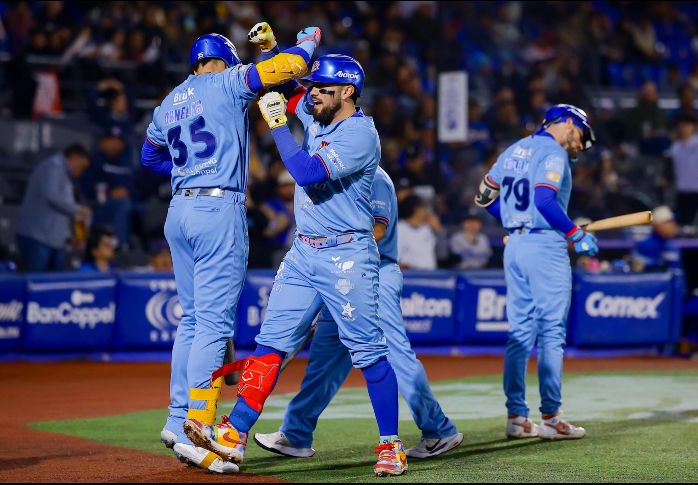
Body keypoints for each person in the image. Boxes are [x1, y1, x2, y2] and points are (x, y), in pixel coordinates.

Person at [185, 53, 408, 478]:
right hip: (305, 252)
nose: (313, 94)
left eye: (323, 88)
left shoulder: (360, 135)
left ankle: (391, 446)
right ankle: (234, 434)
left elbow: (306, 173)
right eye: (313, 86)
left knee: (368, 352)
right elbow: (282, 89)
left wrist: (277, 126)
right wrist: (276, 53)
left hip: (347, 255)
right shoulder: (317, 106)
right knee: (271, 344)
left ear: (348, 92)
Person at [139, 24, 321, 473]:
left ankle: (176, 416)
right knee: (214, 326)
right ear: (224, 59)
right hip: (217, 209)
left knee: (193, 320)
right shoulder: (228, 81)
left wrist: (189, 169)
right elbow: (293, 66)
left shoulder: (170, 100)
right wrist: (311, 39)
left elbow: (149, 157)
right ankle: (194, 430)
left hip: (179, 211)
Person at [253, 166, 463, 460]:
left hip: (372, 272)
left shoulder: (374, 177)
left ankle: (437, 429)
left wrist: (332, 248)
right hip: (340, 273)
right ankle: (297, 433)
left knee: (392, 353)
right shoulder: (341, 172)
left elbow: (379, 228)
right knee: (325, 361)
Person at [475, 104, 598, 440]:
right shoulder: (553, 153)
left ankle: (517, 417)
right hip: (544, 247)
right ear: (568, 124)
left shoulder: (514, 149)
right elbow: (545, 200)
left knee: (519, 334)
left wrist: (514, 221)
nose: (578, 146)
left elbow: (483, 197)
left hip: (514, 246)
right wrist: (575, 233)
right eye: (580, 136)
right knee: (551, 334)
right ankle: (551, 417)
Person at [16, 144, 91, 272]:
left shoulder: (68, 177)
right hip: (38, 237)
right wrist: (78, 210)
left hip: (57, 240)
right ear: (74, 157)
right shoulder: (52, 166)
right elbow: (52, 196)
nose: (81, 171)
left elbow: (74, 209)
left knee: (54, 285)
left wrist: (80, 235)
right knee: (37, 283)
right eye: (82, 166)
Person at [665, 113, 698, 227]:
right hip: (681, 191)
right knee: (682, 225)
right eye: (682, 125)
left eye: (687, 125)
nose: (684, 128)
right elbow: (669, 168)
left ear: (694, 127)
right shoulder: (675, 147)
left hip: (696, 189)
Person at [631, 206, 681, 272]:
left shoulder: (672, 245)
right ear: (657, 225)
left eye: (673, 222)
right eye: (668, 222)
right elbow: (639, 274)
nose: (673, 225)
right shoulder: (645, 246)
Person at [397, 195, 441, 270]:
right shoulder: (399, 228)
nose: (426, 211)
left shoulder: (428, 228)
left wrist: (438, 231)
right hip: (410, 275)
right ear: (415, 209)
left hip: (431, 275)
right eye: (423, 207)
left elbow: (442, 255)